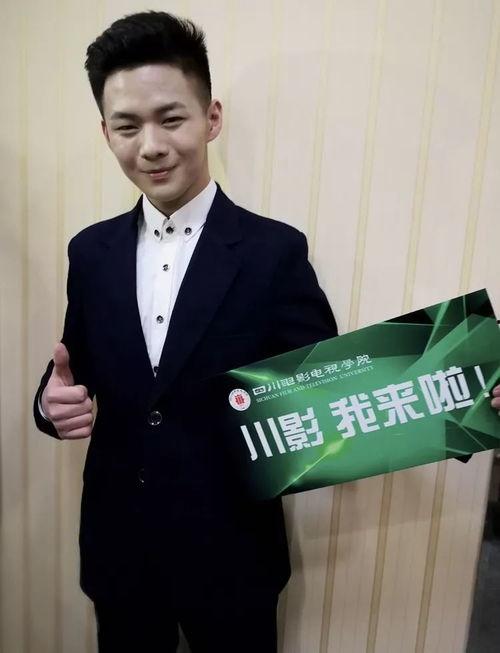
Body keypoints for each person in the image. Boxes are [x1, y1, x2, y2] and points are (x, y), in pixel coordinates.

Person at [32, 10, 338, 652]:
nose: (150, 145)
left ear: (211, 118)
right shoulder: (90, 252)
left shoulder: (274, 251)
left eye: (171, 118)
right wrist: (50, 404)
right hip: (120, 553)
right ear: (106, 133)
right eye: (127, 126)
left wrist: (462, 394)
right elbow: (73, 365)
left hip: (234, 557)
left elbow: (328, 393)